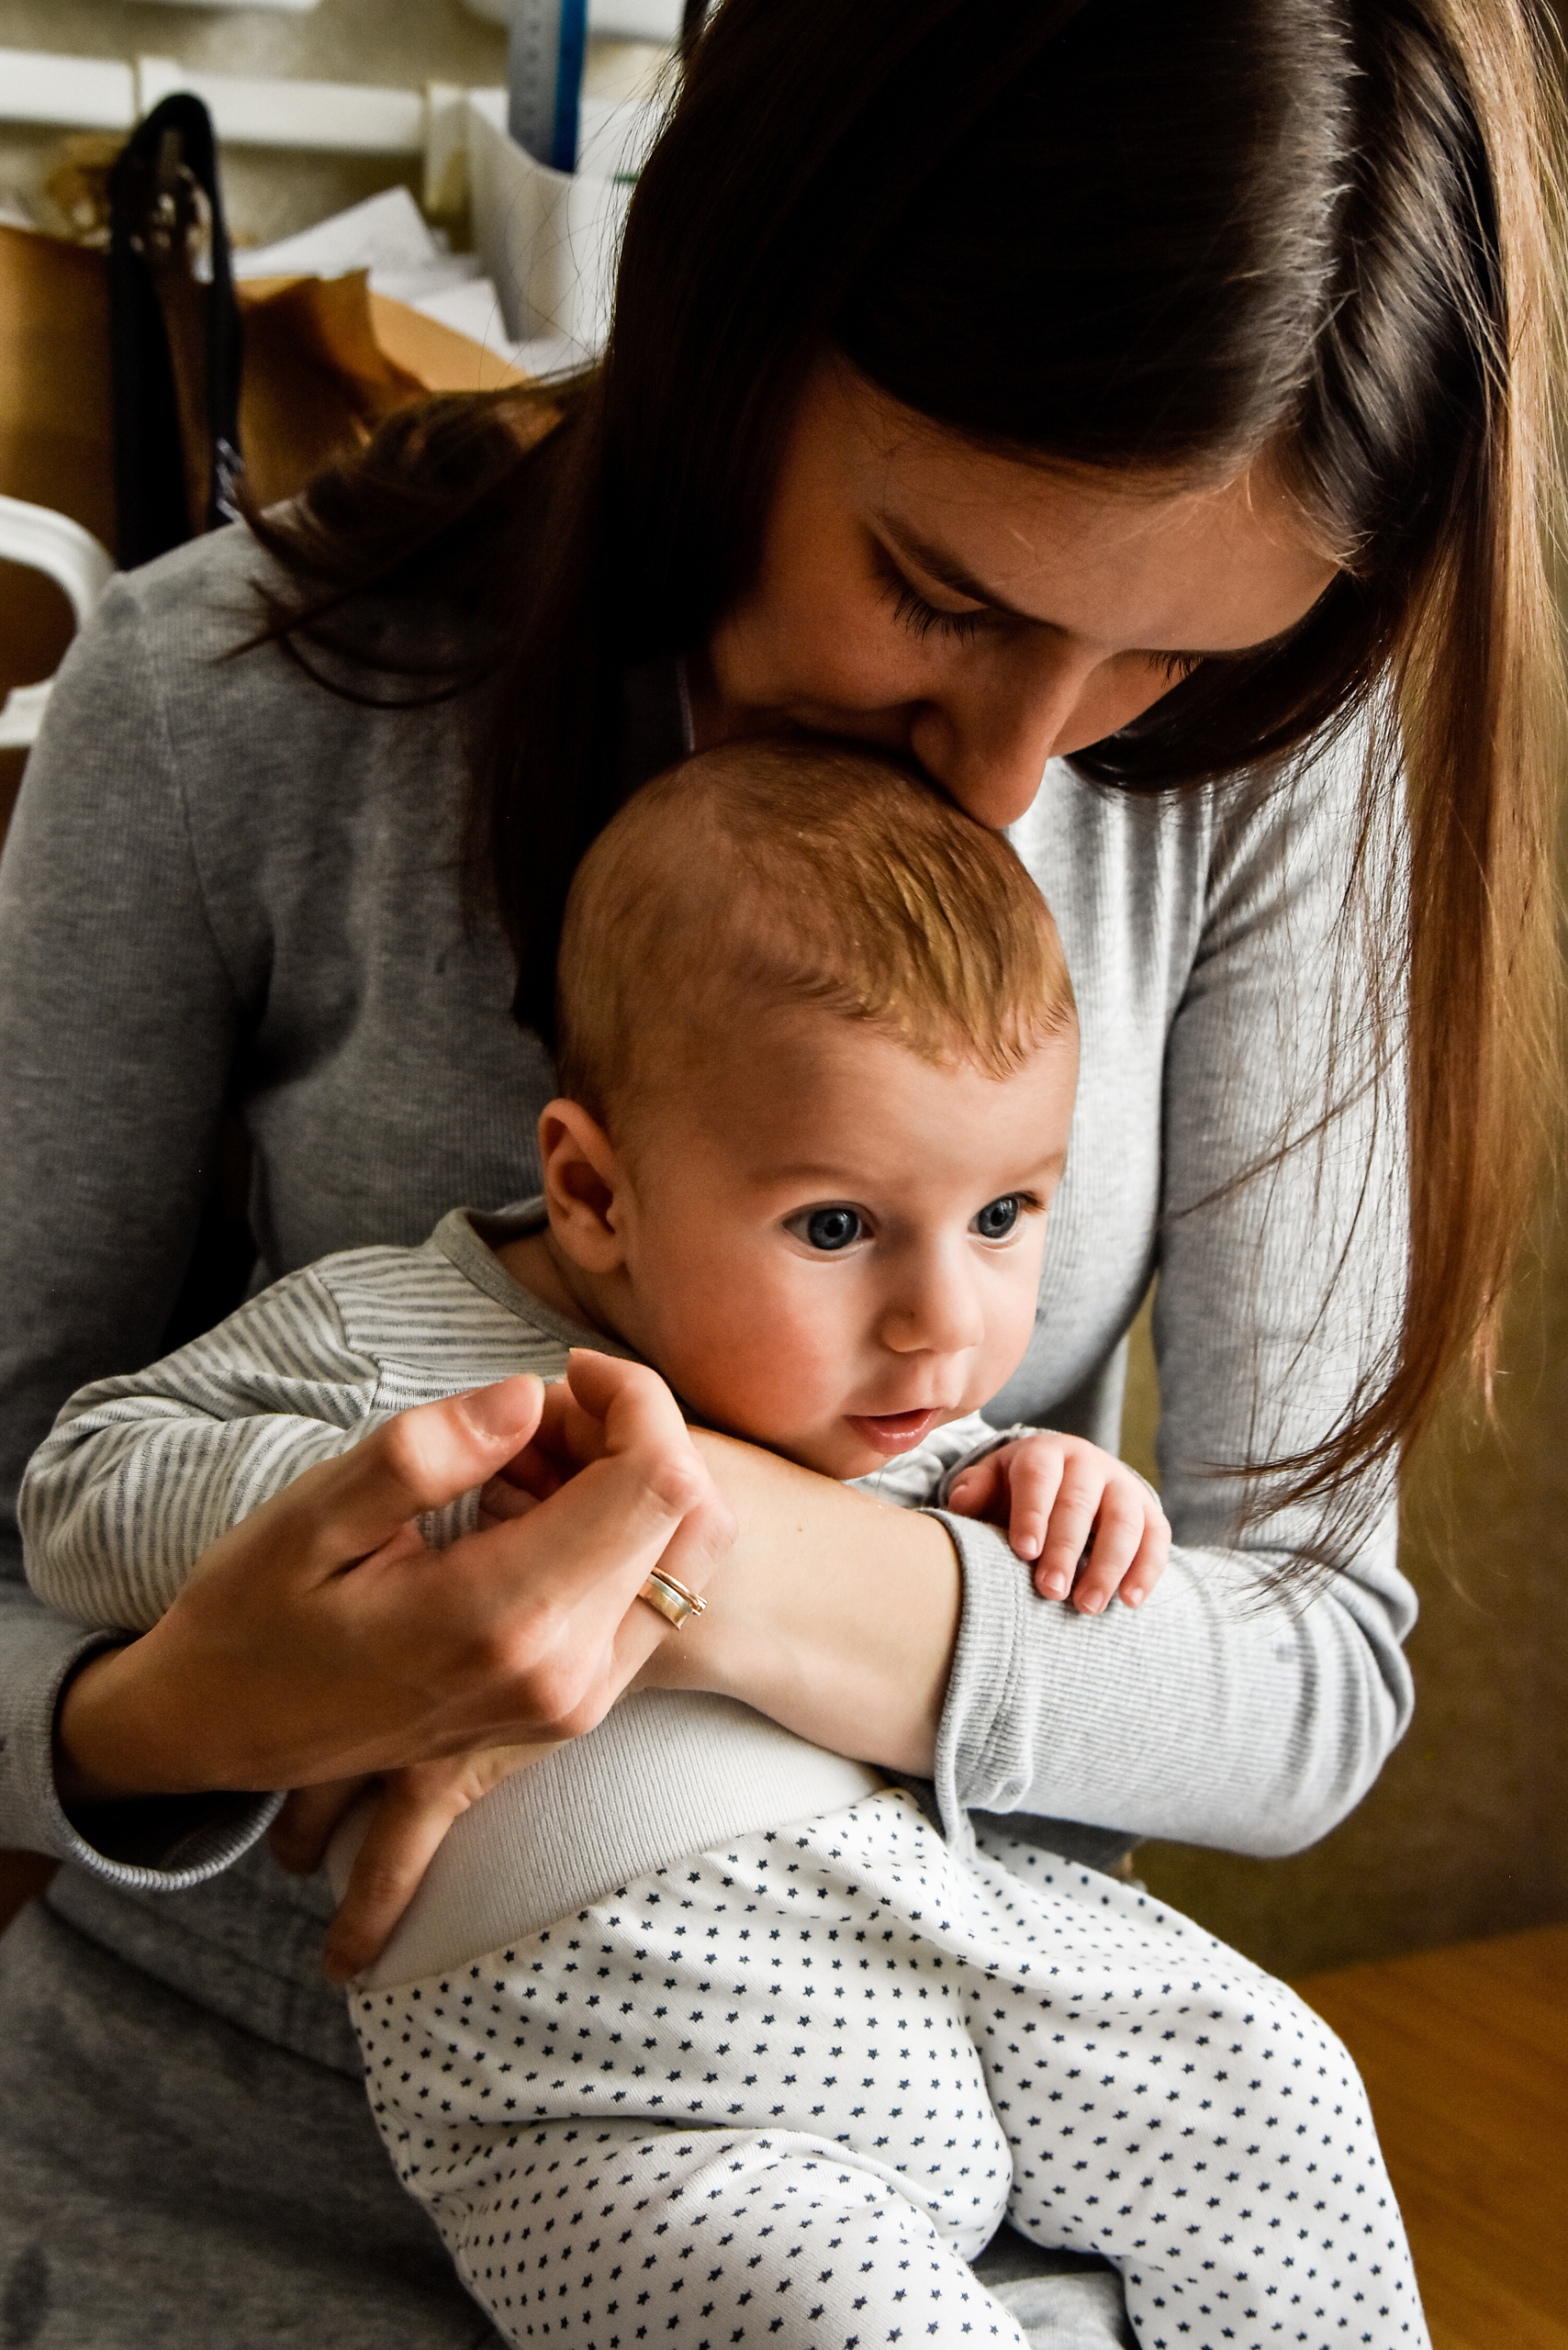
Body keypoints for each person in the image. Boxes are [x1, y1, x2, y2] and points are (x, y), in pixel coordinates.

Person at [0, 2, 1561, 2344]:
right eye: (944, 592)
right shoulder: (225, 706)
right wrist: (180, 1713)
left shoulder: (1264, 791)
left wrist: (680, 1561)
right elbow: (23, 1487)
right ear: (734, 322)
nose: (1028, 764)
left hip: (942, 2146)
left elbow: (1299, 1668)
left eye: (1159, 655)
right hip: (236, 2200)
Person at [19, 744, 1425, 2350]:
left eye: (1006, 1216)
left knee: (1277, 2088)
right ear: (594, 1192)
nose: (943, 1328)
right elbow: (76, 1489)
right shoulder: (386, 1338)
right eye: (836, 1227)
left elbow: (1192, 1660)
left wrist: (1078, 1501)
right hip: (620, 2108)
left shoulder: (907, 1429)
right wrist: (422, 1517)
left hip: (949, 1961)